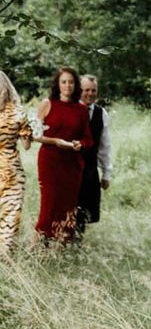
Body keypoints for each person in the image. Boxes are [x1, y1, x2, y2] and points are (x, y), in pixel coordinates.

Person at [35, 66, 93, 244]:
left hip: (72, 164)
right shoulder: (47, 104)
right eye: (64, 82)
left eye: (71, 82)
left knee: (68, 205)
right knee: (49, 204)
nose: (67, 85)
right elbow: (35, 134)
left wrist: (79, 144)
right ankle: (39, 243)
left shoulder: (81, 109)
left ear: (76, 85)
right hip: (50, 161)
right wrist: (56, 142)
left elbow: (88, 139)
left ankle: (62, 245)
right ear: (57, 84)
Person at [0, 71, 33, 255]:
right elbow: (27, 145)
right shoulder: (19, 113)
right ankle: (4, 257)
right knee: (10, 218)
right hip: (12, 170)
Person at [76, 74, 112, 234]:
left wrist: (106, 173)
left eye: (93, 90)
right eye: (86, 90)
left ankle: (76, 245)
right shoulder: (70, 109)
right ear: (79, 90)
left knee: (85, 212)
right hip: (70, 167)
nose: (90, 94)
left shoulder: (101, 113)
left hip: (90, 169)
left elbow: (105, 146)